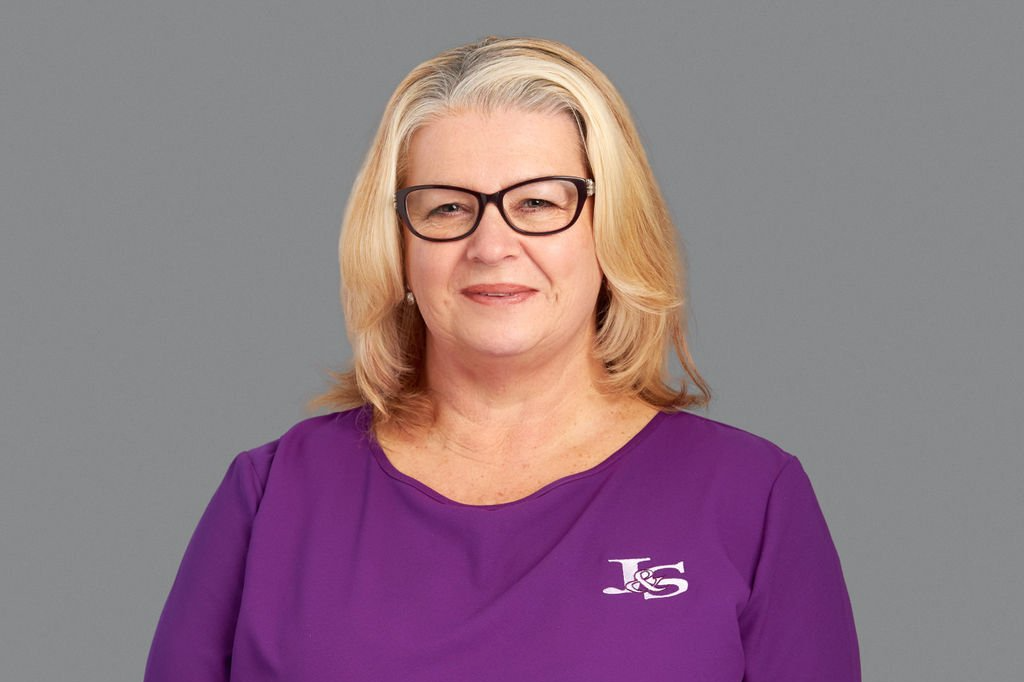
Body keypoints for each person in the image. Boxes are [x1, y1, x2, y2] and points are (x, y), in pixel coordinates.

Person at [144, 36, 860, 681]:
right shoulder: (270, 497)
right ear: (397, 244)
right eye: (448, 208)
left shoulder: (752, 500)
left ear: (613, 228)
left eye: (541, 204)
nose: (491, 246)